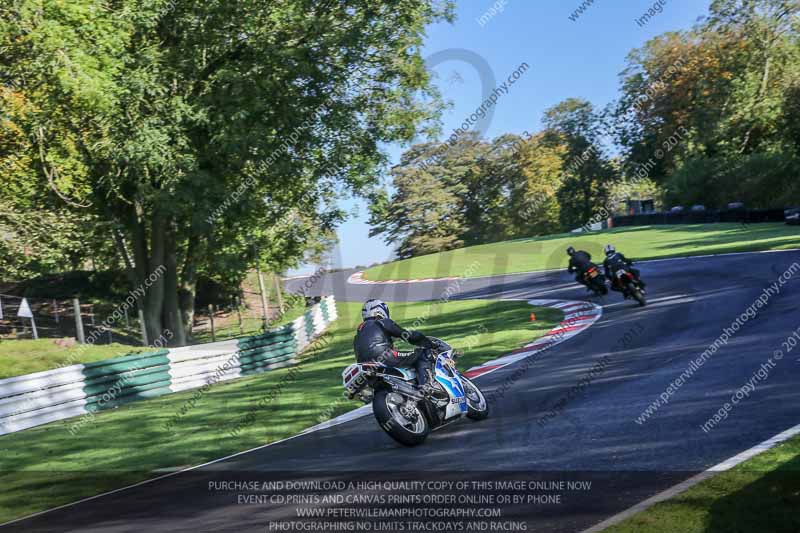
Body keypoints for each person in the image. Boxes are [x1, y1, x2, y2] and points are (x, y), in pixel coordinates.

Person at [353, 299, 437, 396]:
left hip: (364, 364)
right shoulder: (383, 322)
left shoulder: (359, 332)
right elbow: (406, 335)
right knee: (422, 354)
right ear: (380, 310)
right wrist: (426, 342)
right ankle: (425, 386)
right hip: (385, 356)